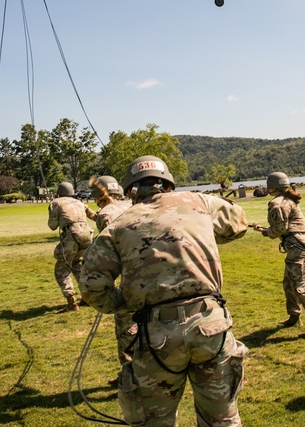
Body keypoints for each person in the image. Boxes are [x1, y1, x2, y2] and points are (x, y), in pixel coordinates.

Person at [79, 156, 250, 427]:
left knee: (154, 421)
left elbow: (91, 285)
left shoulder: (119, 225)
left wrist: (124, 303)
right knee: (222, 420)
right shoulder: (199, 202)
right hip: (210, 324)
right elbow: (239, 223)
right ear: (169, 184)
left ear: (132, 191)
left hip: (155, 332)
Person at [251, 171, 305, 337]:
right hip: (298, 245)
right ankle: (294, 315)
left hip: (296, 247)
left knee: (300, 285)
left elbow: (279, 229)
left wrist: (263, 231)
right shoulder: (289, 199)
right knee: (289, 283)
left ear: (271, 186)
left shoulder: (277, 203)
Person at [88, 175, 136, 383]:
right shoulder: (133, 205)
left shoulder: (106, 214)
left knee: (126, 328)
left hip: (130, 278)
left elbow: (111, 250)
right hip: (152, 272)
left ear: (99, 196)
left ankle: (130, 373)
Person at [48, 182, 95, 312]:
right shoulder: (79, 202)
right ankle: (87, 297)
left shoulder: (56, 203)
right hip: (87, 234)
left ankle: (71, 301)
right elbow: (94, 216)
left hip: (71, 235)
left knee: (61, 268)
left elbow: (52, 226)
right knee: (75, 264)